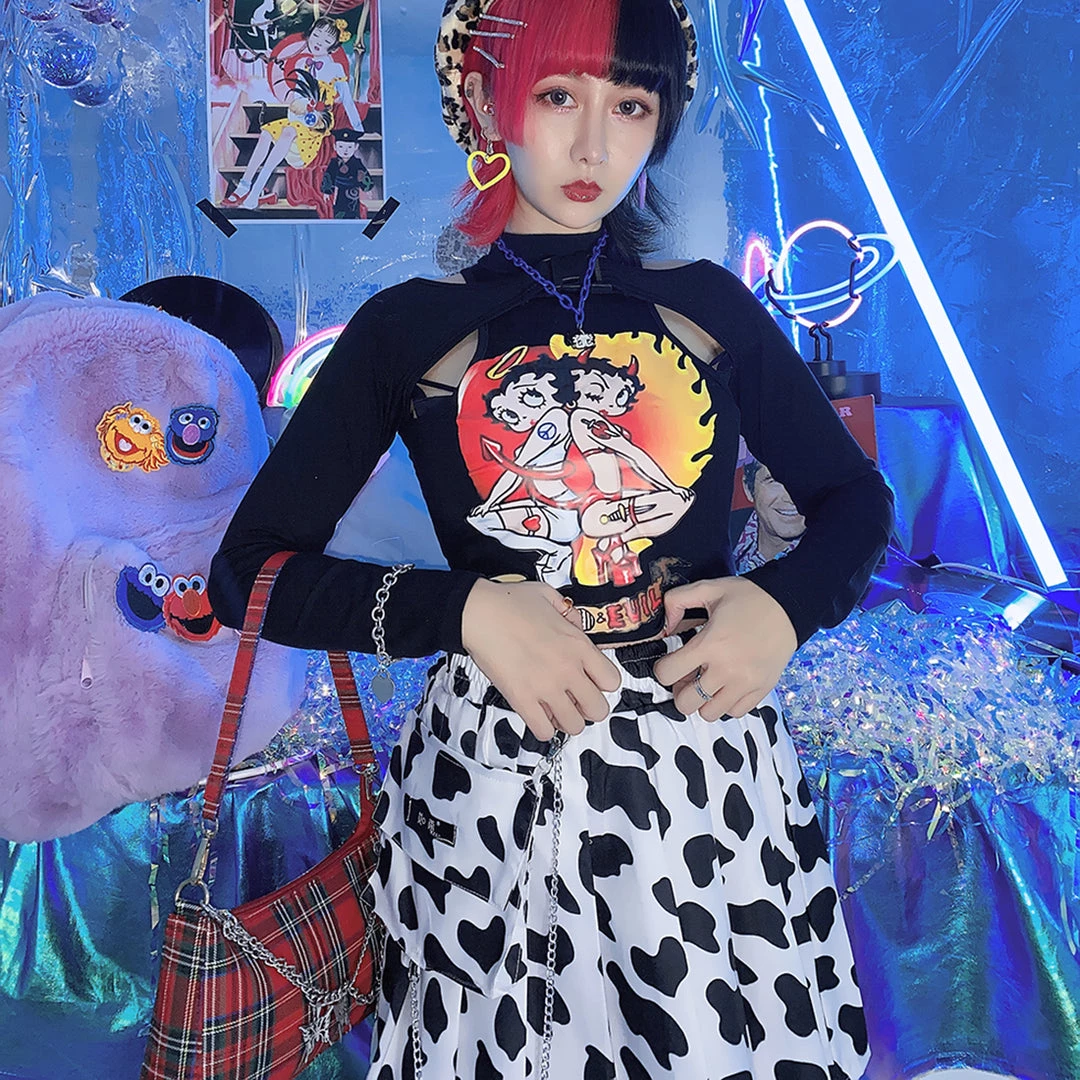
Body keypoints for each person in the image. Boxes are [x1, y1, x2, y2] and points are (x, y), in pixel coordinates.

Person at [209, 0, 895, 1075]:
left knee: (710, 1043)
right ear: (489, 105)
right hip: (491, 781)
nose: (592, 144)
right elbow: (249, 573)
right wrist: (466, 611)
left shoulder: (708, 306)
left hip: (701, 780)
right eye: (558, 94)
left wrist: (783, 607)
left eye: (631, 105)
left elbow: (855, 499)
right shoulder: (405, 329)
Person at [226, 16, 365, 210]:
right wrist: (300, 106)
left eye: (326, 40)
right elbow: (296, 101)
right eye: (316, 35)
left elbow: (347, 101)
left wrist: (358, 127)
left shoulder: (336, 68)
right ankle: (244, 185)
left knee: (288, 132)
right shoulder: (302, 65)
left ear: (333, 46)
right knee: (266, 133)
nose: (318, 42)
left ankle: (256, 191)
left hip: (318, 123)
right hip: (298, 118)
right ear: (309, 34)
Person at [734, 457, 809, 573]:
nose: (789, 498)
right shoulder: (719, 531)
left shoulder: (833, 555)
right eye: (774, 481)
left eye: (803, 481)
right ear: (748, 488)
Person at [320, 127, 375, 218]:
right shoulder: (334, 163)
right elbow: (329, 176)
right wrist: (327, 191)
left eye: (349, 147)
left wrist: (367, 189)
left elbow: (363, 175)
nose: (345, 150)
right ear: (335, 147)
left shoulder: (356, 163)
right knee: (338, 210)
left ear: (356, 147)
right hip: (339, 191)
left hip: (353, 191)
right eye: (341, 147)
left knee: (353, 210)